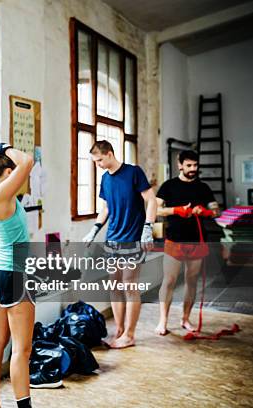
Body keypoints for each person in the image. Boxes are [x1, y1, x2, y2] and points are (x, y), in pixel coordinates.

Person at [82, 140, 157, 349]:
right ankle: (120, 330)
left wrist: (148, 228)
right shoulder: (105, 179)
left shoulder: (133, 172)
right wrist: (94, 230)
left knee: (129, 285)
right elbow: (105, 209)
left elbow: (151, 200)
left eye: (98, 160)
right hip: (112, 238)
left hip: (132, 237)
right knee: (114, 286)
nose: (97, 164)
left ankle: (130, 335)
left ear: (109, 154)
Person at [0, 143, 36, 408]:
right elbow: (27, 162)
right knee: (22, 350)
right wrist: (4, 146)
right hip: (13, 275)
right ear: (10, 172)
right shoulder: (1, 195)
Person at [154, 150, 220, 336]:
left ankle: (185, 319)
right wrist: (177, 210)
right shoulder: (169, 186)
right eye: (189, 165)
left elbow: (216, 211)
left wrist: (206, 212)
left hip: (197, 241)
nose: (193, 169)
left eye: (195, 165)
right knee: (169, 281)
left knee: (191, 281)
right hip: (174, 240)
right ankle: (162, 321)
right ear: (180, 165)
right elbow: (157, 209)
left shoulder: (204, 188)